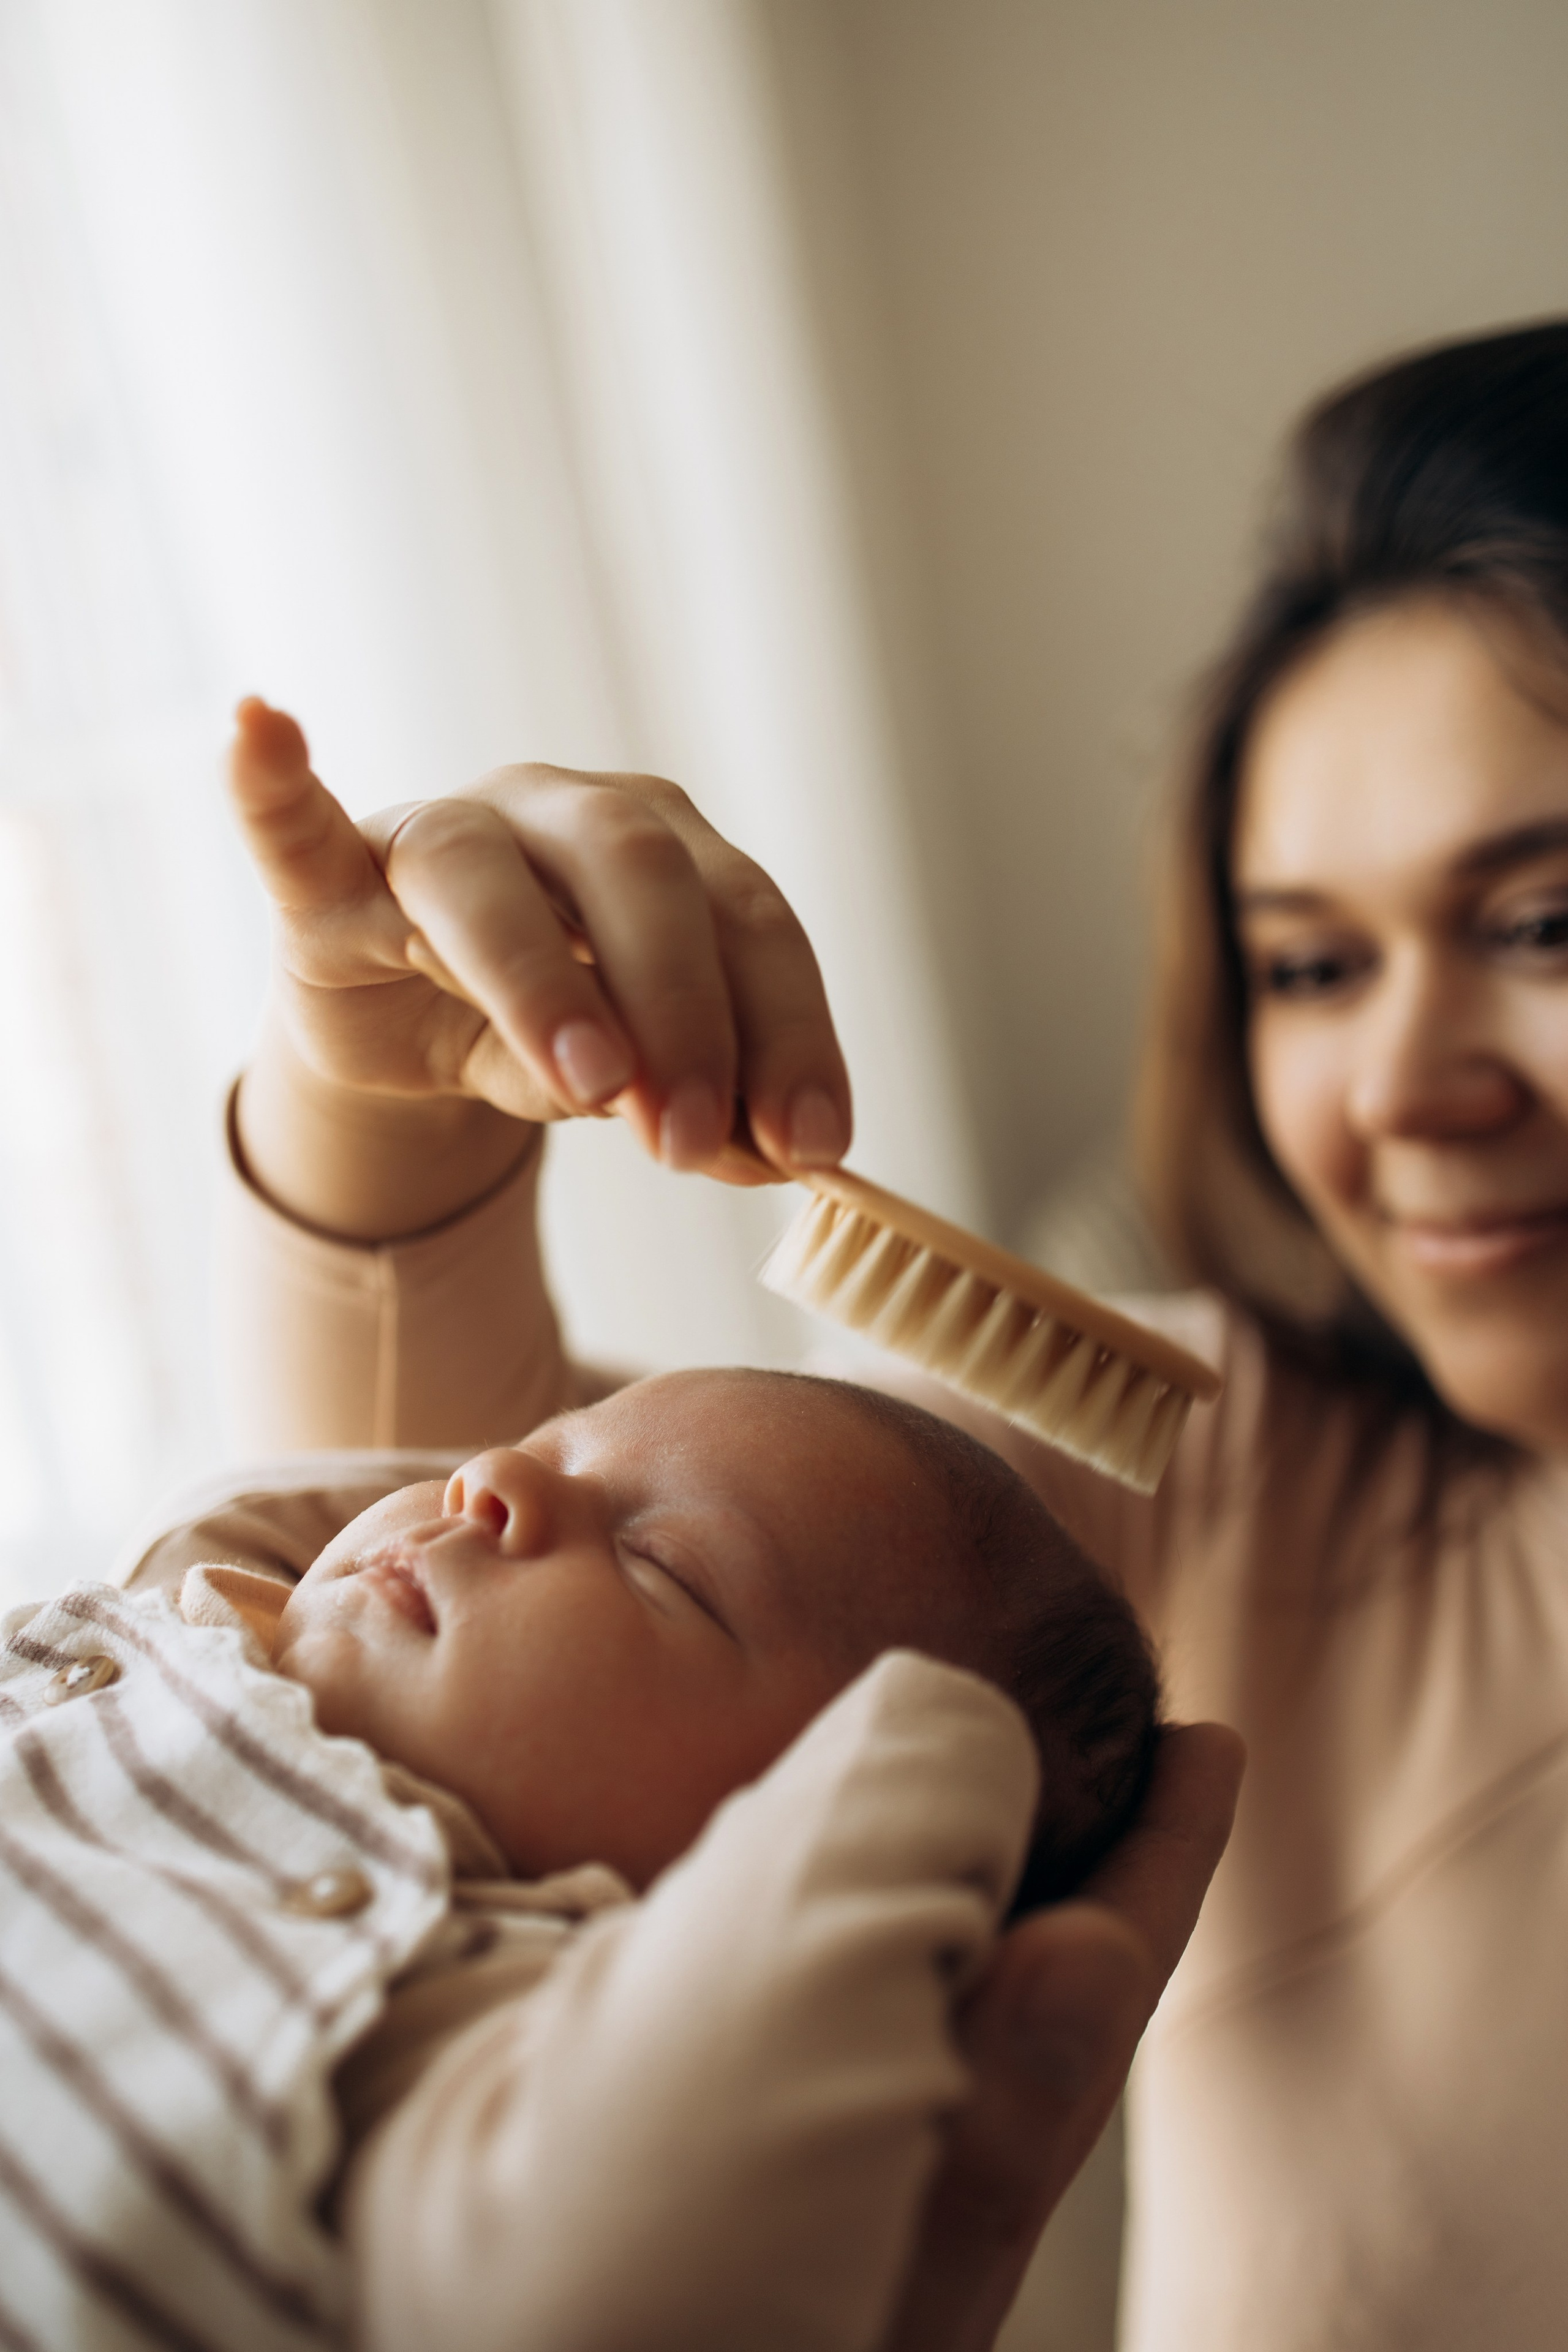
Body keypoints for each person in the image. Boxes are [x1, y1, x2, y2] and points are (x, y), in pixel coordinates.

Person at [205, 695, 1242, 2352]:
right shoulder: (1178, 1444)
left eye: (1543, 922)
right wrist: (381, 1097)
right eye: (1320, 964)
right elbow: (396, 1499)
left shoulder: (502, 2105)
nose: (1413, 1077)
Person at [2, 1366, 1159, 2351]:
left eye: (665, 1568)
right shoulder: (149, 1637)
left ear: (783, 1833)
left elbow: (596, 2285)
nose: (490, 1485)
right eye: (532, 1450)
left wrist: (950, 1737)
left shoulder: (467, 2035)